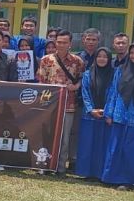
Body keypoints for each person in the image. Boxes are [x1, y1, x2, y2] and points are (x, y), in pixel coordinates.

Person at [101, 42, 134, 188]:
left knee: (132, 150)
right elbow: (113, 91)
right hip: (119, 114)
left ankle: (129, 180)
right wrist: (109, 112)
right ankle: (111, 177)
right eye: (132, 53)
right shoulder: (121, 70)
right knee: (115, 147)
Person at [36, 30, 84, 174]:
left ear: (70, 44)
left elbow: (82, 79)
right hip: (49, 105)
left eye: (64, 42)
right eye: (59, 42)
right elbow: (40, 81)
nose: (61, 45)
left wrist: (76, 86)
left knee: (65, 137)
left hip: (69, 104)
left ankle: (60, 167)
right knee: (46, 135)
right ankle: (43, 165)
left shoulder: (77, 61)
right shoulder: (46, 60)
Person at [76, 47, 113, 180]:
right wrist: (91, 110)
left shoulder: (114, 74)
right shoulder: (87, 74)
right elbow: (85, 93)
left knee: (103, 145)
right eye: (99, 56)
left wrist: (106, 111)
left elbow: (113, 94)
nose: (102, 59)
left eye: (105, 56)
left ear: (109, 59)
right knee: (87, 145)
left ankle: (101, 174)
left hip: (105, 117)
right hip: (89, 116)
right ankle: (86, 172)